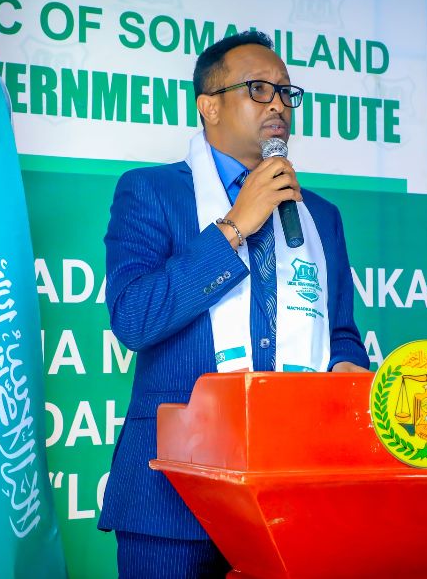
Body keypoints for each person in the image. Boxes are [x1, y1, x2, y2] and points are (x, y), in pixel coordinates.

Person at [97, 30, 370, 578]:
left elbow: (341, 332)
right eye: (258, 89)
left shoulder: (319, 215)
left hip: (291, 485)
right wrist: (235, 227)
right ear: (209, 106)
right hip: (170, 492)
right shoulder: (151, 192)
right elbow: (134, 318)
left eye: (286, 92)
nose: (278, 105)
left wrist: (346, 367)